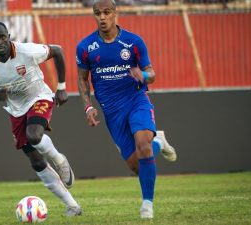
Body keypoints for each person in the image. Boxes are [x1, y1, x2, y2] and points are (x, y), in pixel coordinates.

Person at [76, 0, 177, 219]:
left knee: (143, 146)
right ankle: (159, 141)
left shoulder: (133, 42)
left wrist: (144, 76)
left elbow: (152, 73)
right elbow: (83, 80)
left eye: (106, 12)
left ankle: (147, 205)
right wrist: (88, 107)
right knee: (136, 165)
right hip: (112, 111)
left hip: (136, 100)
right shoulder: (85, 47)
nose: (102, 17)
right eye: (97, 13)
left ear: (115, 13)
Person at [0, 21, 82, 216]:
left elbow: (57, 51)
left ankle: (59, 160)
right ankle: (73, 206)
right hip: (15, 109)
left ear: (8, 36)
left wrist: (61, 88)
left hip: (38, 97)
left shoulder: (27, 51)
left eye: (2, 36)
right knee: (35, 160)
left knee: (34, 135)